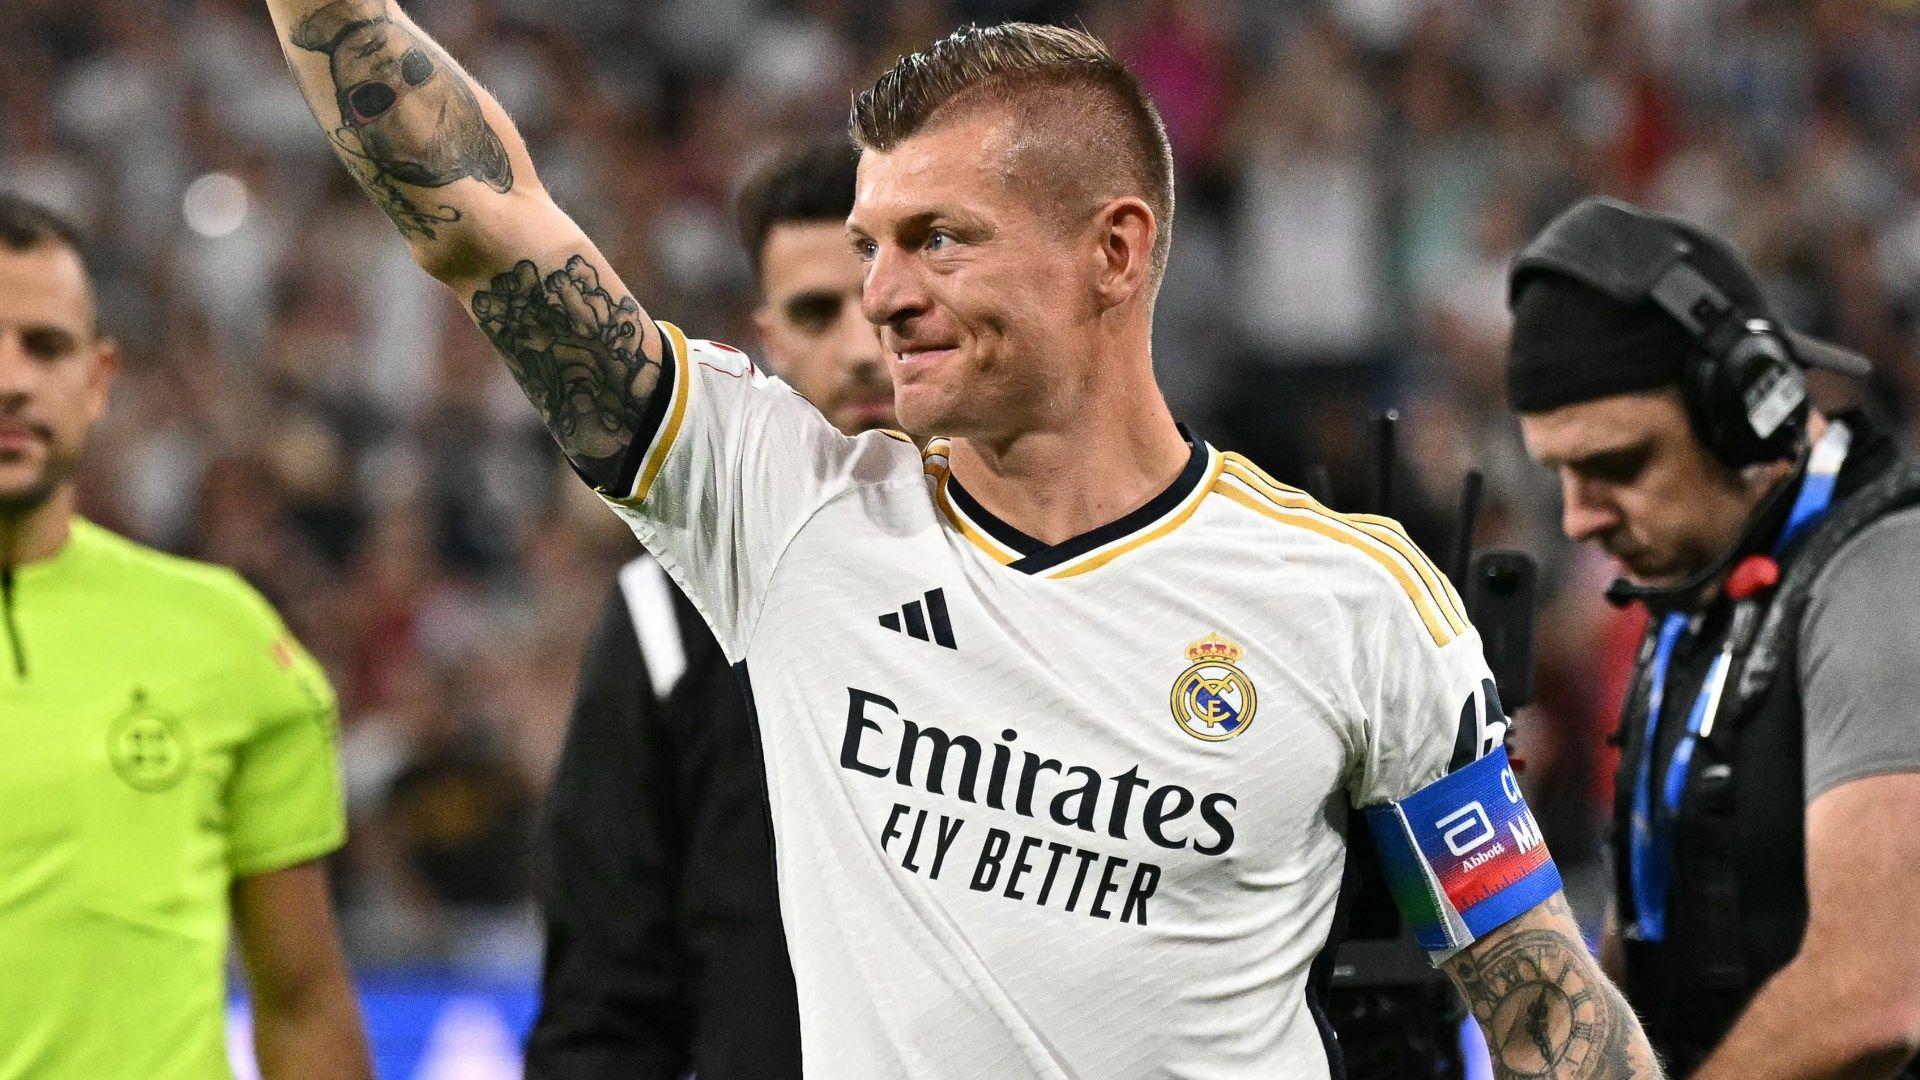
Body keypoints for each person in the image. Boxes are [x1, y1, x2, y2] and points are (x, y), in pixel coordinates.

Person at [265, 6, 1659, 1076]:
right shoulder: (787, 509)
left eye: (938, 239)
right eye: (869, 244)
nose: (881, 294)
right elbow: (483, 223)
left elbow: (1538, 1000)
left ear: (1116, 250)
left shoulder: (1356, 602)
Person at [1508, 196, 1920, 1079]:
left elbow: (1872, 1000)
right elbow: (1657, 955)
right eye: (1561, 474)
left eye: (1618, 464)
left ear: (1750, 409)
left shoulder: (1889, 575)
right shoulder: (1698, 603)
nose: (1579, 519)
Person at [526, 140, 888, 1080]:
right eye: (817, 311)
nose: (861, 348)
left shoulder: (1054, 579)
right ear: (770, 337)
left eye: (885, 304)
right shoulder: (664, 620)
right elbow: (604, 1004)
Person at [0, 195, 371, 1079]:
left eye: (45, 347)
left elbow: (303, 1000)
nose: (10, 378)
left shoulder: (225, 640)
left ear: (98, 380)